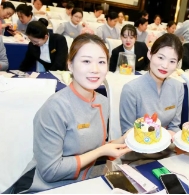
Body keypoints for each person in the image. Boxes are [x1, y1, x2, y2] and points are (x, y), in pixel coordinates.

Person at [15, 35, 130, 192]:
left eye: (101, 62)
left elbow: (96, 147)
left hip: (84, 183)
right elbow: (50, 171)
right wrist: (101, 151)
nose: (95, 69)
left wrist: (125, 139)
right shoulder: (55, 107)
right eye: (86, 61)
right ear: (70, 65)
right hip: (47, 187)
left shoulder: (103, 102)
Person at [119, 33, 184, 159]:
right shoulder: (131, 89)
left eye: (172, 61)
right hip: (138, 156)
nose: (165, 65)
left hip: (168, 153)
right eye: (160, 57)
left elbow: (174, 127)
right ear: (150, 54)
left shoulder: (178, 87)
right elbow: (128, 133)